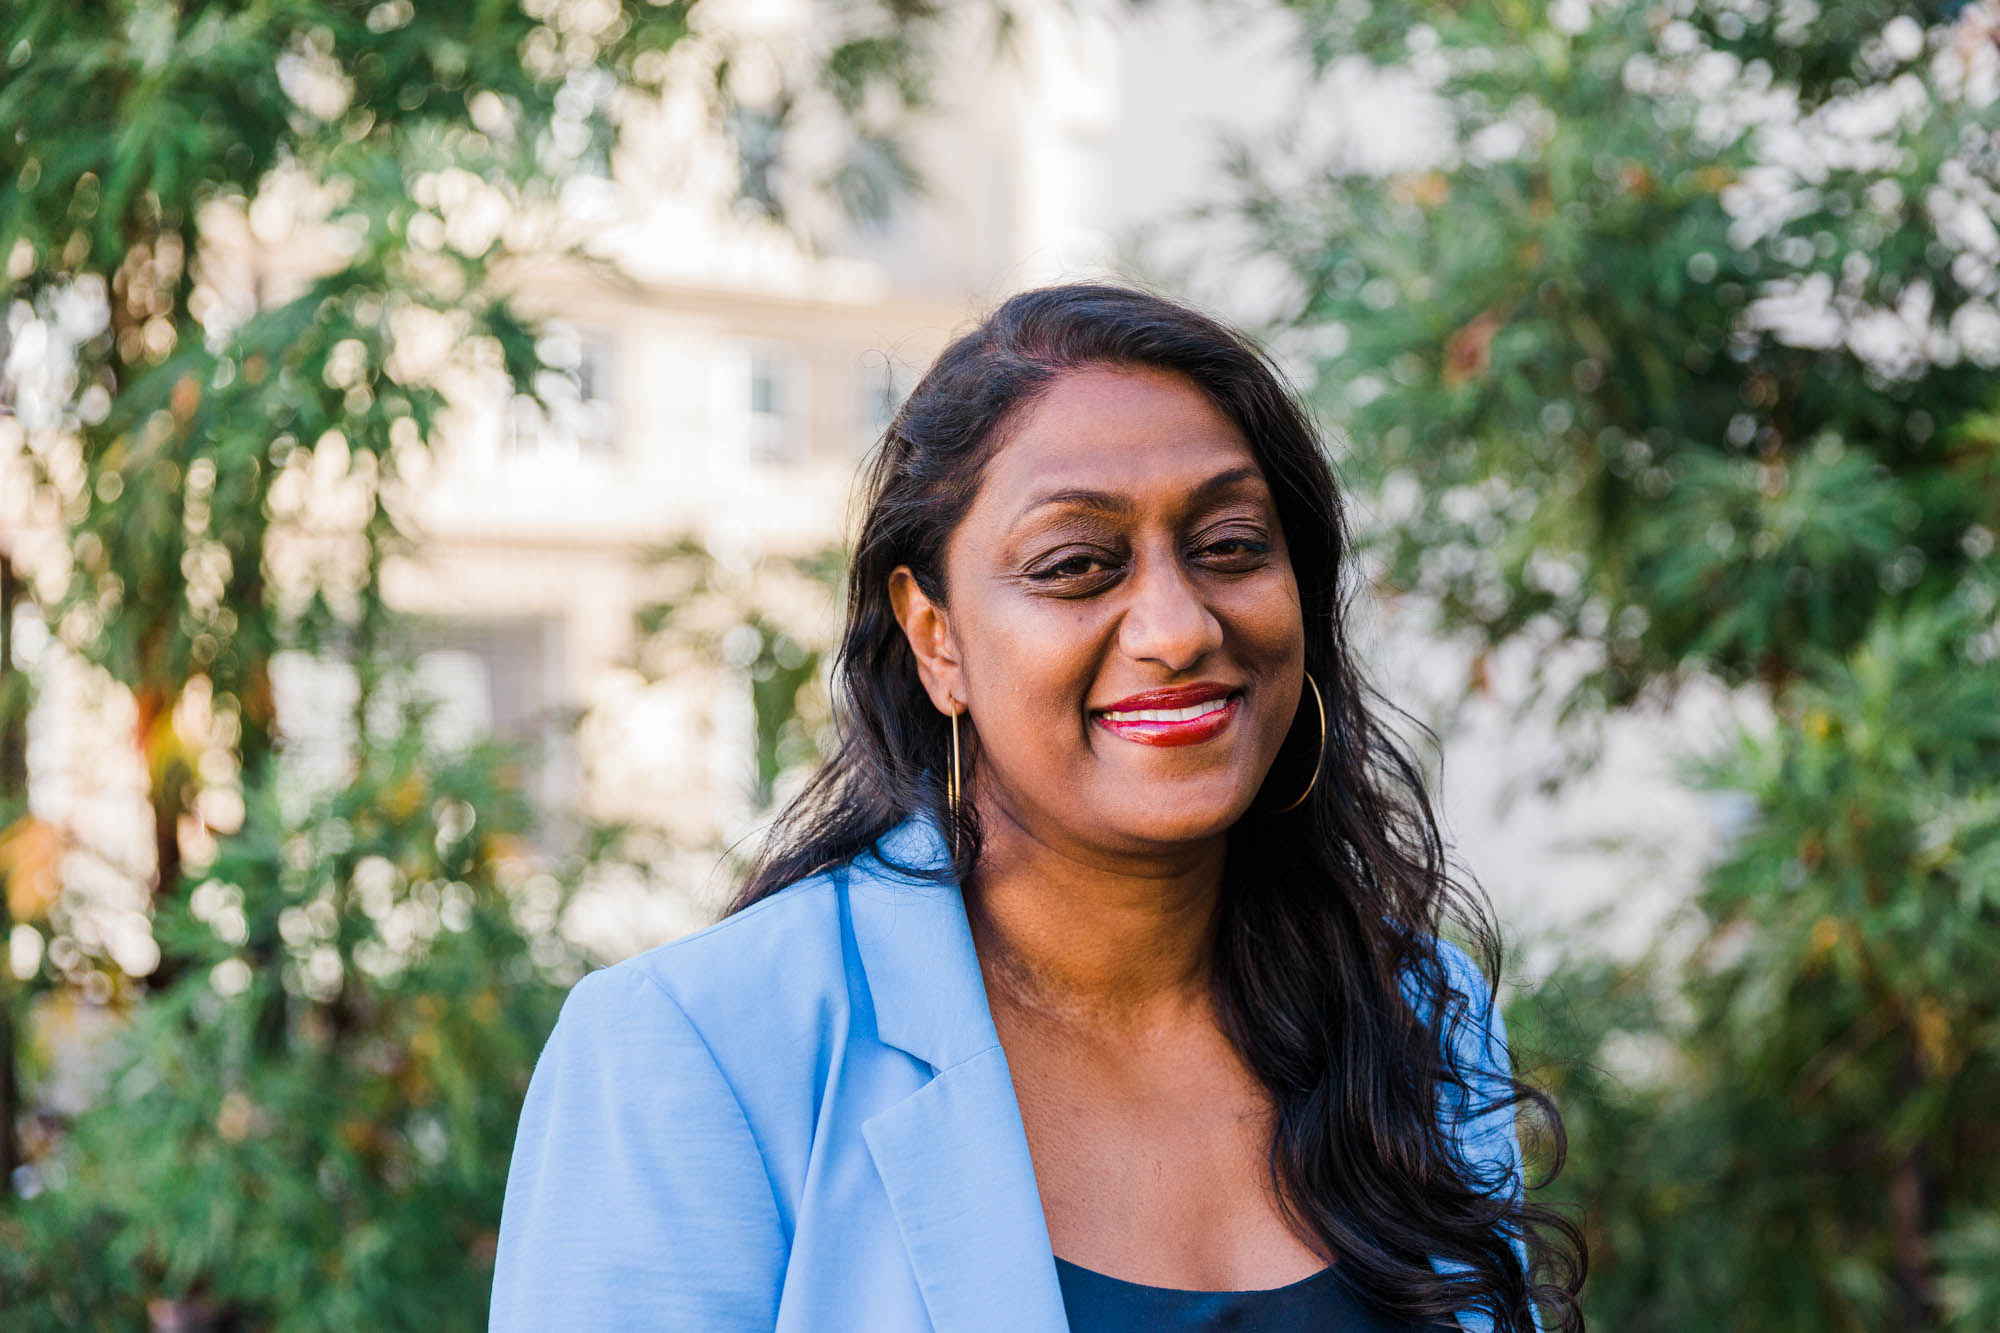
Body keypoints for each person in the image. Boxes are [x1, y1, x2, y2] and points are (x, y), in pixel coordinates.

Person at [488, 283, 1585, 1332]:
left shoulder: (1412, 1009)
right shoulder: (701, 1051)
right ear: (936, 638)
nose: (1176, 625)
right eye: (1074, 565)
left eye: (1229, 547)